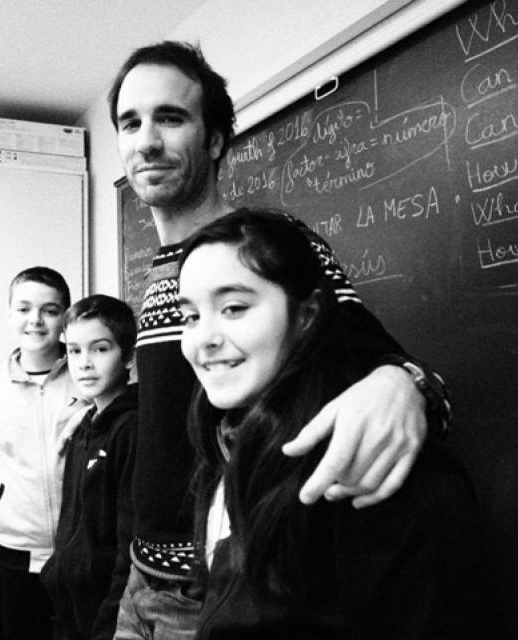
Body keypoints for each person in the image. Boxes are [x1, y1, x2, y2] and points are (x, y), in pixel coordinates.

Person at [107, 41, 451, 638]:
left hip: (217, 594)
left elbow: (377, 358)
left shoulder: (264, 247)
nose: (146, 141)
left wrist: (408, 384)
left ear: (214, 141)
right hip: (142, 586)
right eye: (130, 122)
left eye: (170, 117)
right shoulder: (164, 270)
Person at [178, 207, 486, 637]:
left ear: (306, 315)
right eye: (190, 316)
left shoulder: (379, 478)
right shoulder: (229, 442)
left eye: (233, 307)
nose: (202, 340)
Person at [0, 266, 88, 640]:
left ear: (66, 315)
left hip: (84, 554)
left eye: (50, 309)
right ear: (10, 313)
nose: (36, 319)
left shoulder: (89, 374)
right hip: (14, 559)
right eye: (25, 308)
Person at [40, 294, 138, 640]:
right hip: (69, 604)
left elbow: (128, 544)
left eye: (99, 349)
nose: (84, 363)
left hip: (105, 613)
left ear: (128, 355)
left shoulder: (130, 428)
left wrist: (108, 623)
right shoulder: (83, 425)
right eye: (74, 351)